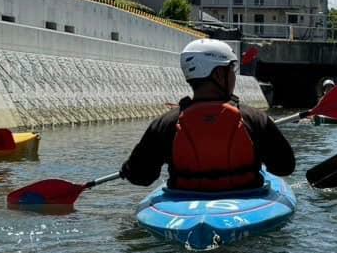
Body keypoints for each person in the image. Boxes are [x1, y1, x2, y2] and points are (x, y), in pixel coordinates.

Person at [120, 39, 295, 192]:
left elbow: (141, 177)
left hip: (184, 204)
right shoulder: (254, 119)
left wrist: (127, 168)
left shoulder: (165, 123)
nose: (234, 76)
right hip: (246, 199)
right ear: (219, 74)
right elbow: (285, 167)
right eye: (231, 69)